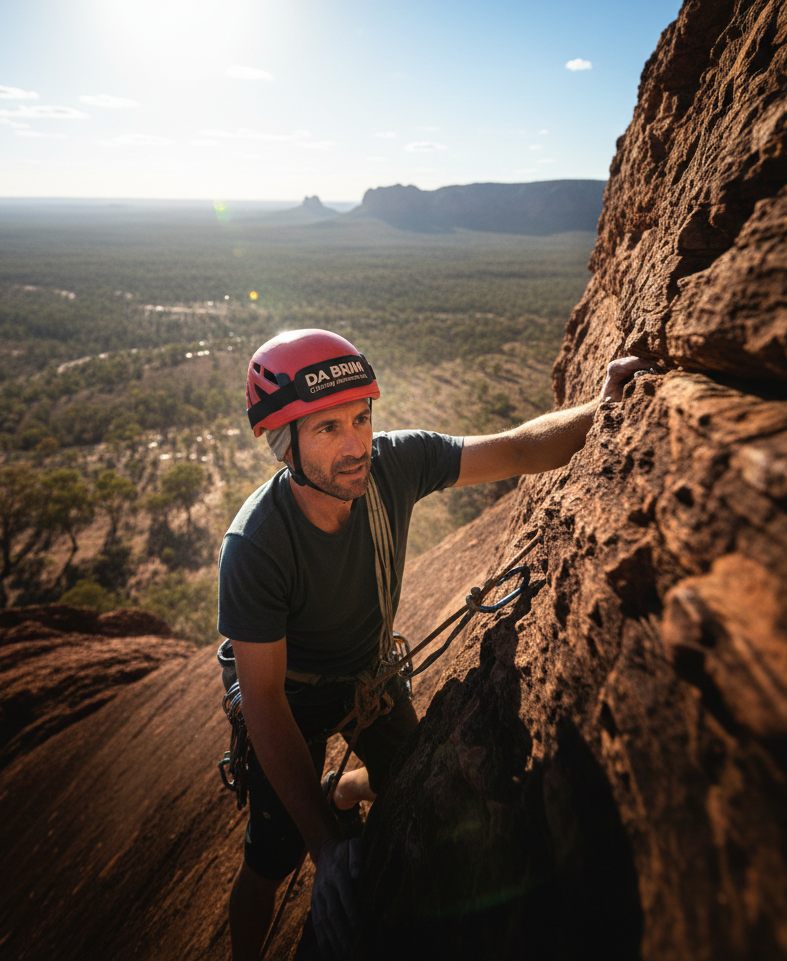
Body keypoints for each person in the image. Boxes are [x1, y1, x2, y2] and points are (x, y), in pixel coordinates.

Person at [217, 328, 654, 960]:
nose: (355, 444)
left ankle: (344, 791)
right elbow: (262, 700)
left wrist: (603, 406)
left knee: (411, 782)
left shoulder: (394, 463)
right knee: (274, 854)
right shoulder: (256, 546)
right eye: (327, 429)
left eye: (361, 418)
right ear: (283, 443)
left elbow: (514, 449)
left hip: (369, 675)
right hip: (291, 697)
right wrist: (325, 845)